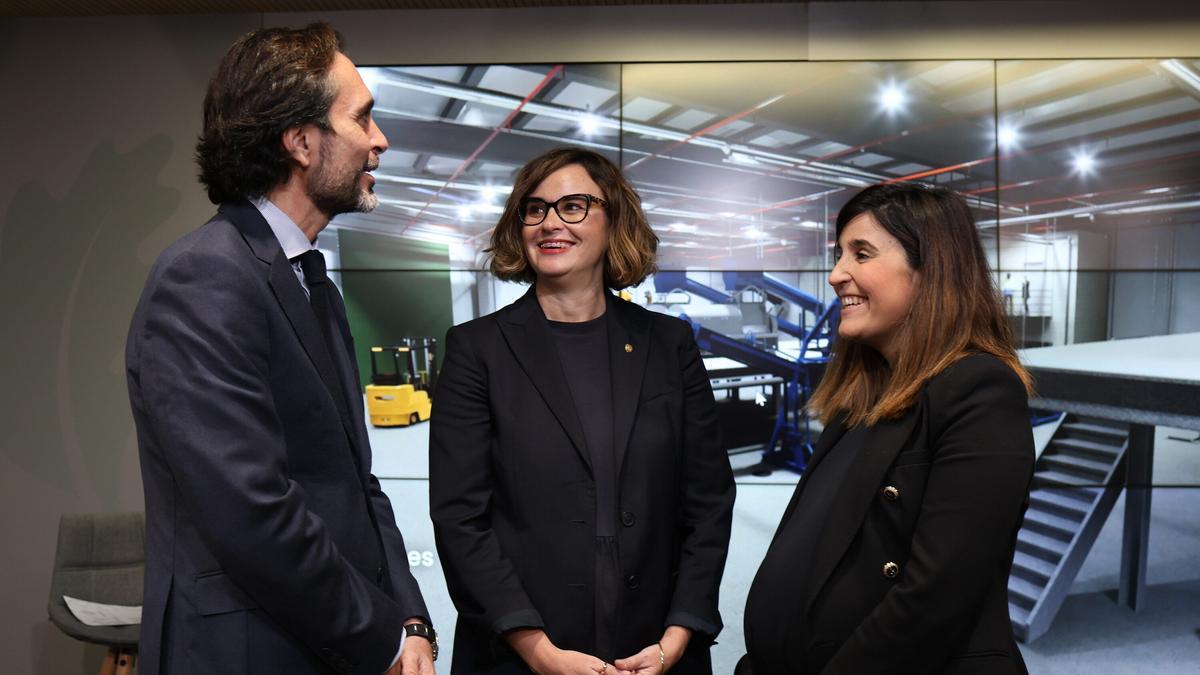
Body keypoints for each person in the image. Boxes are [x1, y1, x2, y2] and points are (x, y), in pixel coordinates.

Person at [126, 23, 435, 675]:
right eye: (362, 118)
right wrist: (381, 639)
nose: (379, 140)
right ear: (300, 141)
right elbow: (251, 511)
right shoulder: (205, 276)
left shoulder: (311, 282)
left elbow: (358, 483)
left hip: (327, 641)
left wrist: (409, 619)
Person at [430, 147, 735, 675]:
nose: (550, 223)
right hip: (523, 648)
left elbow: (708, 501)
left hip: (656, 644)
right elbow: (460, 517)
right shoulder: (477, 349)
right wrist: (536, 649)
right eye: (535, 209)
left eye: (573, 206)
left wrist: (678, 635)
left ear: (614, 219)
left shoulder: (669, 344)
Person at [741, 183, 1035, 675]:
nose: (836, 274)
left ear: (931, 269)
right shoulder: (862, 398)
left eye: (861, 253)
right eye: (839, 255)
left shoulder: (979, 391)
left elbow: (934, 599)